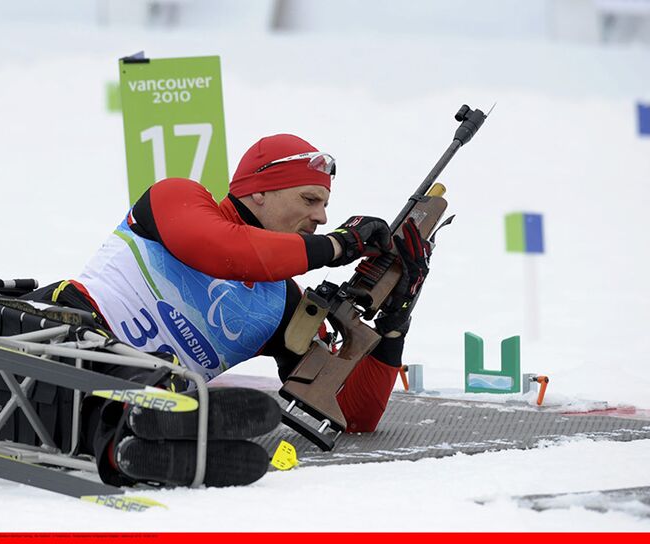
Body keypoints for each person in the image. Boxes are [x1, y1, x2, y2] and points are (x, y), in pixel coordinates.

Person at [35, 133, 431, 486]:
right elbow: (225, 250)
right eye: (309, 199)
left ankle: (134, 440)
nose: (322, 217)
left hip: (135, 389)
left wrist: (395, 318)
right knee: (127, 379)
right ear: (259, 191)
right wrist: (338, 245)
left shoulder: (285, 305)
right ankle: (138, 431)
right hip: (56, 331)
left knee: (143, 389)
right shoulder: (176, 197)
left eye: (326, 205)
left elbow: (350, 413)